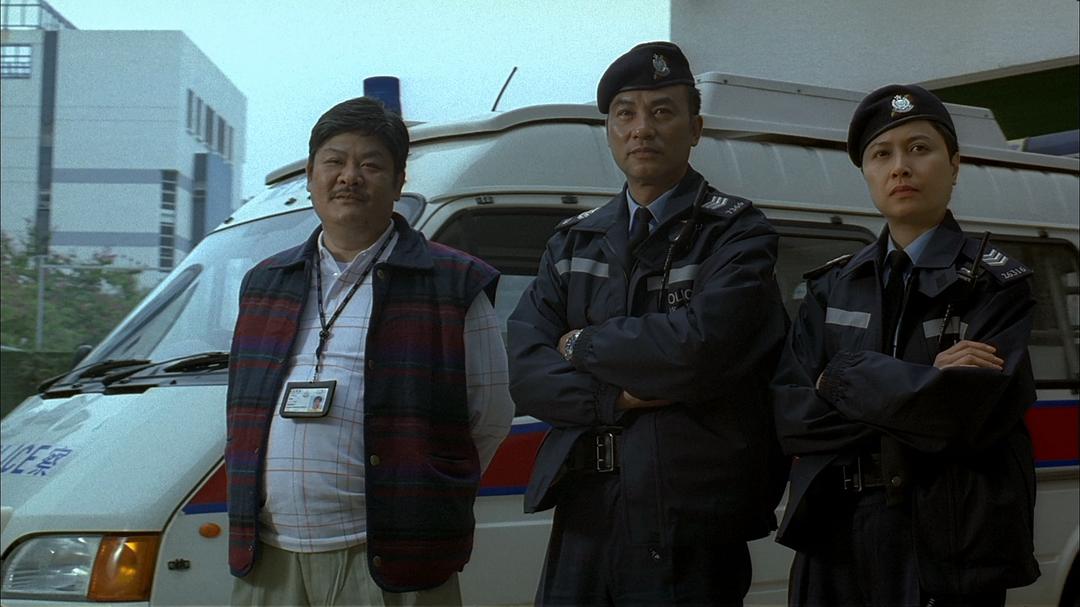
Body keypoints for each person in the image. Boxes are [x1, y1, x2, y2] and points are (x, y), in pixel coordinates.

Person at [508, 41, 789, 606]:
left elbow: (697, 349)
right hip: (585, 511)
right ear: (609, 130)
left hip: (691, 517)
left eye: (662, 111)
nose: (642, 128)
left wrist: (581, 343)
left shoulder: (737, 234)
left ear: (695, 128)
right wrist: (615, 398)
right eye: (626, 113)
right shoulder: (574, 240)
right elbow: (525, 369)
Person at [225, 97, 514, 606]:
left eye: (370, 164)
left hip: (394, 562)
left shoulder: (452, 283)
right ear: (311, 176)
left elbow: (488, 418)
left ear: (399, 181)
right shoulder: (265, 283)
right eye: (334, 161)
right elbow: (241, 412)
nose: (349, 177)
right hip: (269, 559)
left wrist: (425, 496)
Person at [772, 84, 1040, 606]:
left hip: (945, 544)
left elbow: (961, 416)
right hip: (835, 540)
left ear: (954, 165)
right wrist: (922, 381)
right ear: (866, 173)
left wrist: (836, 377)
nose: (900, 167)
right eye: (882, 154)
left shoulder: (996, 286)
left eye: (919, 148)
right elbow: (791, 415)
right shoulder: (832, 287)